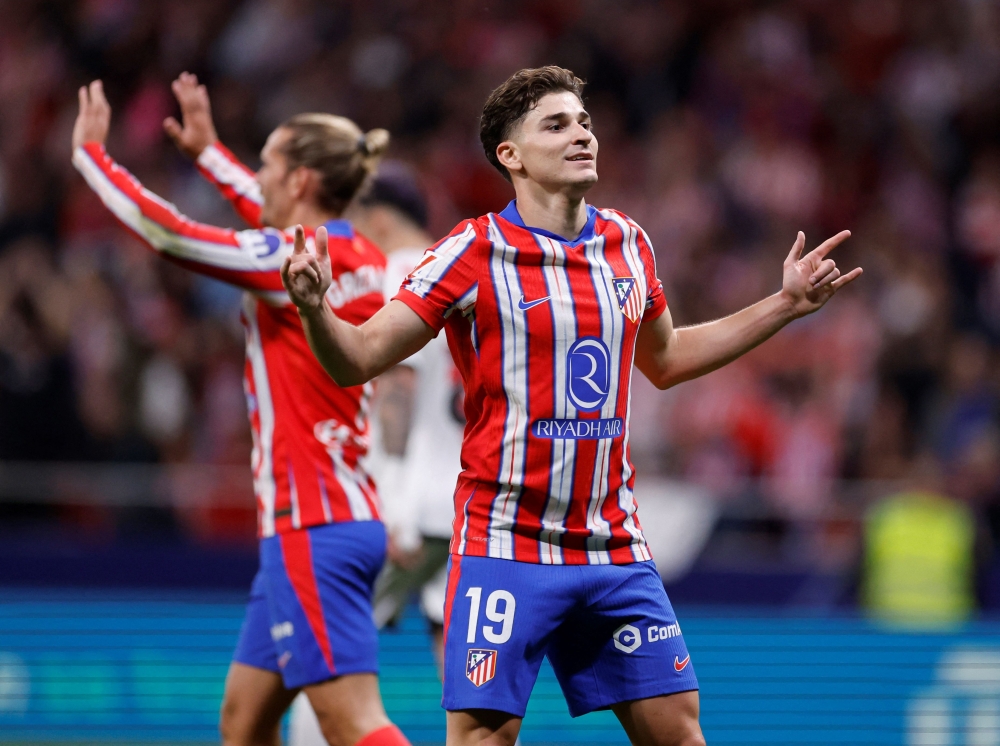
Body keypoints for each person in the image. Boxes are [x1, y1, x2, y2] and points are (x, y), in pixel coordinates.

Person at [281, 66, 862, 746]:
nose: (582, 134)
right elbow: (357, 358)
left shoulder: (627, 243)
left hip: (612, 543)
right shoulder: (471, 252)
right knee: (481, 738)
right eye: (556, 125)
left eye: (584, 122)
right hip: (506, 544)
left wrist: (784, 305)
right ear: (511, 154)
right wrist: (314, 309)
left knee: (679, 733)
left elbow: (667, 360)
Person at [71, 75, 411, 746]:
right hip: (337, 512)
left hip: (314, 524)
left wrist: (91, 157)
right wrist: (207, 153)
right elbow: (266, 207)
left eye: (266, 164)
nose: (256, 178)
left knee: (353, 721)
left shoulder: (293, 260)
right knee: (244, 719)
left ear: (300, 179)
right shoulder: (357, 254)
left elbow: (170, 235)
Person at [289, 162, 463, 746]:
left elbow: (397, 391)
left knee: (331, 647)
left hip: (406, 503)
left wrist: (392, 504)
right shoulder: (459, 271)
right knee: (461, 661)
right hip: (460, 501)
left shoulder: (393, 274)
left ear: (379, 218)